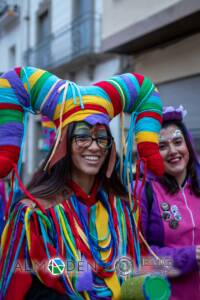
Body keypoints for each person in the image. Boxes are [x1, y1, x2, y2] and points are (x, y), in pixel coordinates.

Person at [0, 66, 164, 299]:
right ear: (64, 143)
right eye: (83, 136)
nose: (94, 146)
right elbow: (22, 282)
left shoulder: (122, 210)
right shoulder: (35, 214)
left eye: (102, 137)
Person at [141, 105, 200, 300]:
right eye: (162, 146)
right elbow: (141, 259)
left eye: (177, 142)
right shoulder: (143, 192)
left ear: (188, 145)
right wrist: (192, 256)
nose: (173, 151)